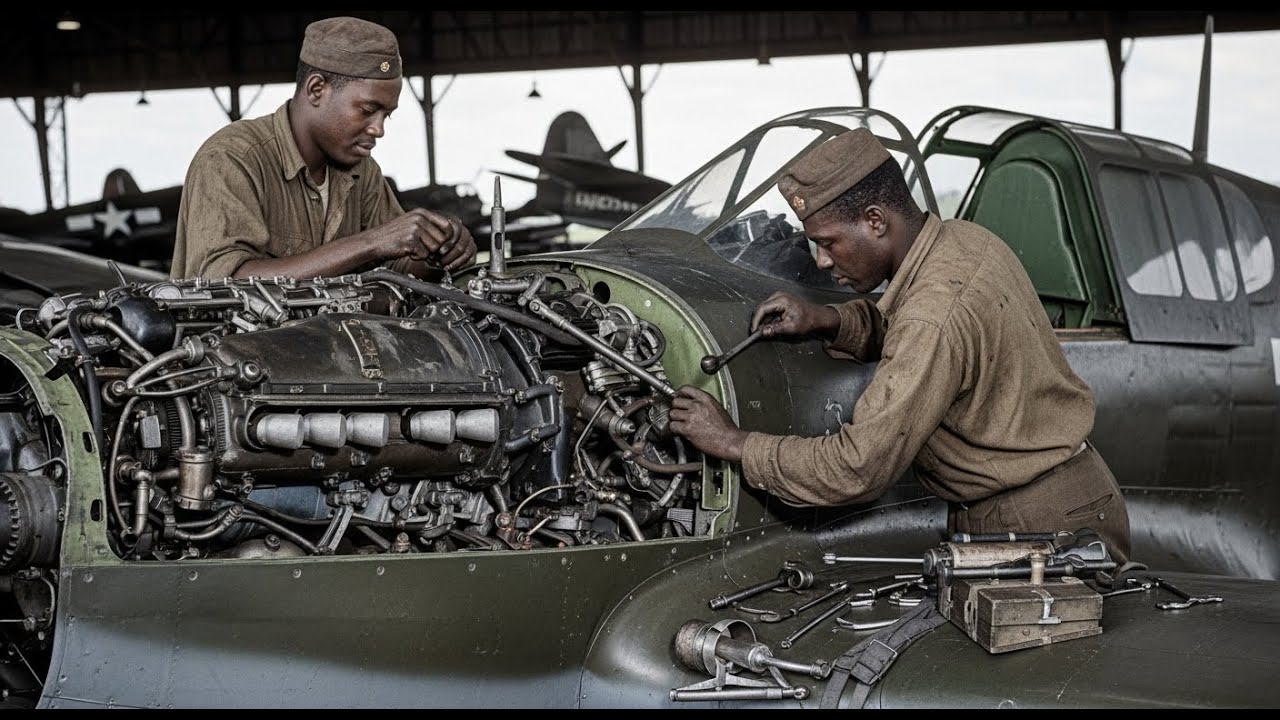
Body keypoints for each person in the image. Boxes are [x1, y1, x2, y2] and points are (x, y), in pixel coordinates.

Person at [667, 127, 1132, 565]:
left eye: (828, 243)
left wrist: (733, 442)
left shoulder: (935, 313)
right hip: (1059, 499)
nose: (822, 261)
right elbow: (917, 330)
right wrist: (826, 319)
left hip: (1037, 524)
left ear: (875, 220)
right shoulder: (962, 241)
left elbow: (859, 467)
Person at [170, 16, 476, 281]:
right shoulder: (232, 158)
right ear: (317, 89)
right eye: (368, 110)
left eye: (387, 115)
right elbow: (227, 283)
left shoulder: (362, 172)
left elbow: (398, 265)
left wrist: (439, 253)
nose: (378, 129)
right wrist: (371, 242)